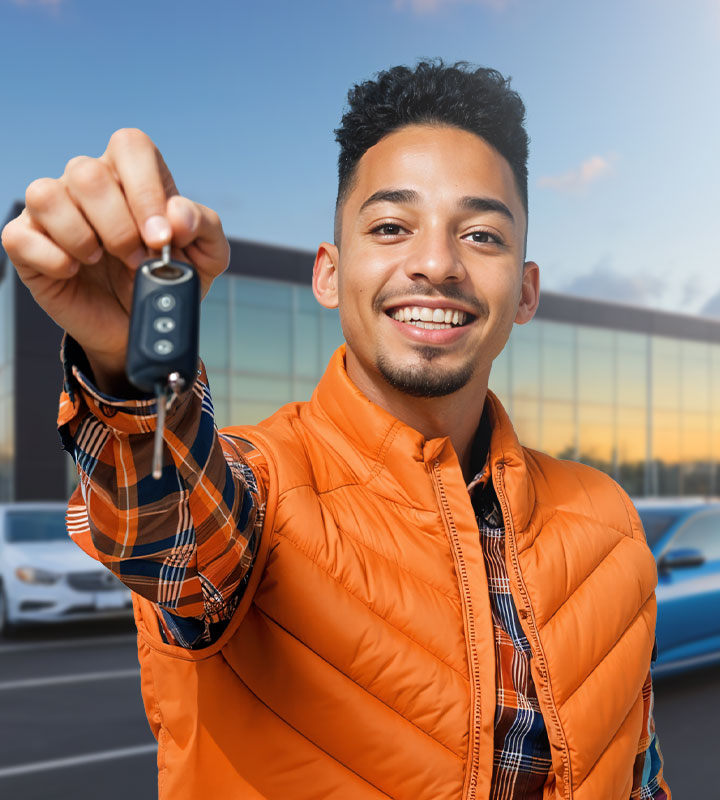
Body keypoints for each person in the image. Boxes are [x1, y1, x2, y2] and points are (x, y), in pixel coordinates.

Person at [1, 60, 668, 800]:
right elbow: (170, 532)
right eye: (391, 227)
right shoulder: (261, 490)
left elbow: (639, 777)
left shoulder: (608, 520)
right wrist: (132, 372)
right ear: (327, 274)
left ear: (526, 292)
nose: (437, 264)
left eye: (482, 235)